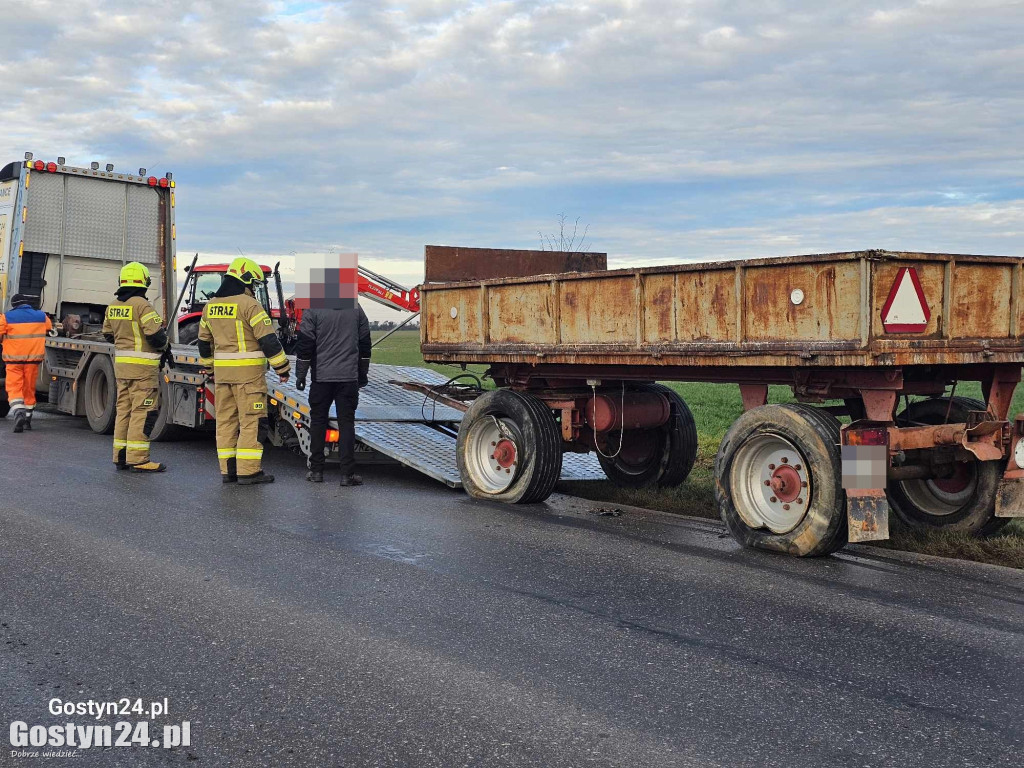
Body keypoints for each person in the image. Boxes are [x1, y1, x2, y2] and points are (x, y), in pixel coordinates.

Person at [198, 257, 291, 485]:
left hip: (222, 378)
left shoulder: (210, 307)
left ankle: (228, 471)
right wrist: (282, 368)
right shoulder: (250, 305)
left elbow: (203, 342)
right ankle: (248, 471)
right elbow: (268, 340)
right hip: (248, 378)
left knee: (226, 423)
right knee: (252, 422)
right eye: (254, 285)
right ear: (246, 280)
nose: (253, 289)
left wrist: (208, 367)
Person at [294, 297, 371, 485]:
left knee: (318, 422)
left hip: (321, 378)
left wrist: (301, 376)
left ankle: (317, 471)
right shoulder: (356, 308)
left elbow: (305, 346)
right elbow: (365, 344)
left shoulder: (313, 310)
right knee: (346, 423)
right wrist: (362, 374)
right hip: (348, 378)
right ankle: (347, 475)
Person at [101, 262, 170, 471]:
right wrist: (165, 345)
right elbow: (156, 337)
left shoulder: (113, 305)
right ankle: (139, 459)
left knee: (124, 411)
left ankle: (120, 456)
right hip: (143, 372)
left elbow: (107, 334)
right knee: (143, 412)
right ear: (144, 282)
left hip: (122, 369)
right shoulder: (142, 305)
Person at [0, 293, 52, 433]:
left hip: (13, 361)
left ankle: (18, 413)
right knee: (29, 388)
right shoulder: (41, 316)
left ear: (14, 305)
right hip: (33, 361)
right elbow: (49, 326)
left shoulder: (7, 317)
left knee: (14, 387)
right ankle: (28, 420)